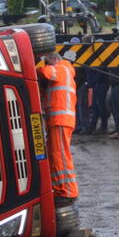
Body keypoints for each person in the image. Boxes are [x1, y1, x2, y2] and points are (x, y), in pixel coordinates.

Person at [39, 52, 78, 199]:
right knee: (56, 155)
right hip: (58, 121)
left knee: (60, 156)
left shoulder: (62, 68)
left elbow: (46, 72)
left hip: (61, 120)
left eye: (48, 63)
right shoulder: (63, 70)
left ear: (53, 61)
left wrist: (35, 67)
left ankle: (68, 191)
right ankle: (60, 187)